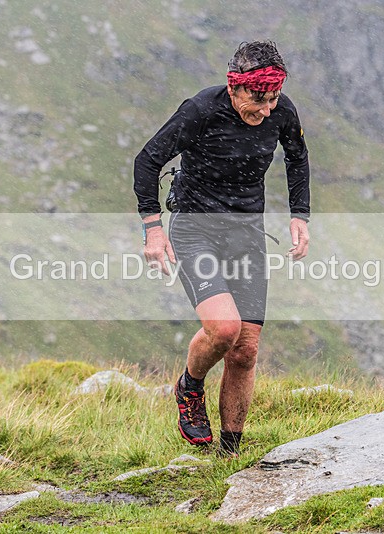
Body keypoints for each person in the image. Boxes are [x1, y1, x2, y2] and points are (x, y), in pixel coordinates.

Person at [133, 40, 310, 457]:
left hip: (246, 233)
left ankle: (230, 454)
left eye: (273, 99)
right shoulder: (201, 109)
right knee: (225, 329)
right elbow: (147, 160)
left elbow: (297, 157)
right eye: (257, 99)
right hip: (196, 229)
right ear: (234, 87)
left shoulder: (281, 110)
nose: (266, 109)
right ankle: (189, 386)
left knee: (246, 349)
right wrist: (152, 230)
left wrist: (299, 215)